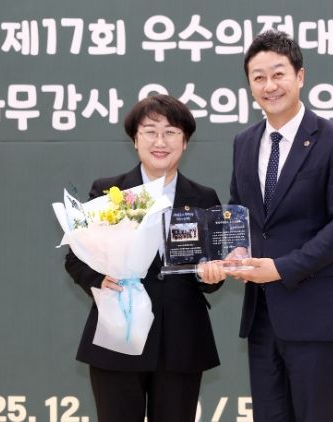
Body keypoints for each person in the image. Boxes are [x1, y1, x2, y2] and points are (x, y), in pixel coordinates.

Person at [226, 30, 333, 422]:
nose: (269, 86)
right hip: (262, 318)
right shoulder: (244, 142)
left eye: (278, 74)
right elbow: (239, 210)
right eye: (258, 77)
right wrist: (236, 248)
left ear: (300, 76)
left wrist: (281, 268)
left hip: (318, 315)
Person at [65, 95, 225, 422]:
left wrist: (211, 275)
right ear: (135, 140)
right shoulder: (109, 191)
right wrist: (100, 280)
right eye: (150, 132)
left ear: (185, 141)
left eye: (171, 132)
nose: (160, 142)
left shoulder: (204, 197)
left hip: (181, 340)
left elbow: (212, 271)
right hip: (119, 333)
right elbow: (76, 256)